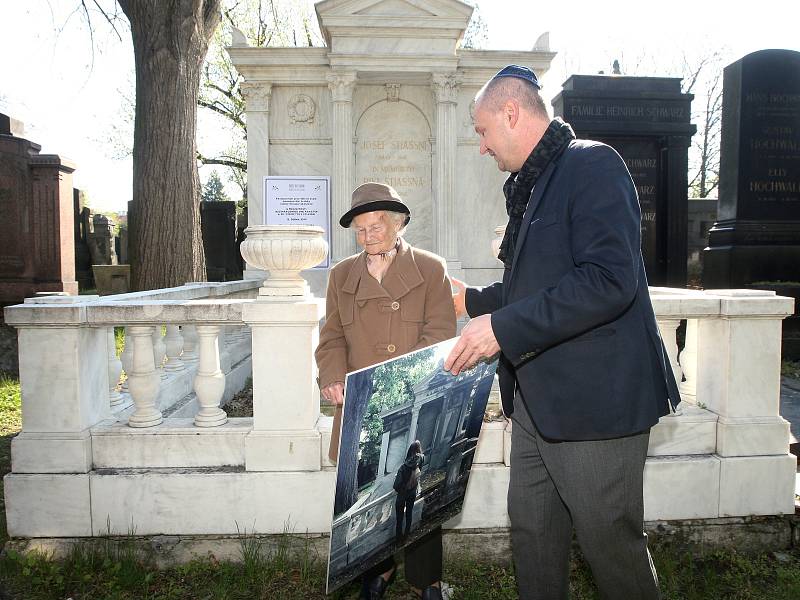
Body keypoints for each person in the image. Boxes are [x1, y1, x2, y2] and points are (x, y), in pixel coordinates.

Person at [444, 65, 680, 600]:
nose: (481, 147)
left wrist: (500, 328)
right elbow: (540, 287)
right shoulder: (534, 186)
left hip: (595, 408)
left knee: (611, 551)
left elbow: (607, 282)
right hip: (535, 407)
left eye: (481, 130)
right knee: (533, 540)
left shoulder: (592, 166)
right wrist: (471, 301)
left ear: (511, 113)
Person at [315, 182, 456, 600]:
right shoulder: (341, 275)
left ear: (398, 224)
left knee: (419, 491)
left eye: (376, 225)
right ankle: (377, 572)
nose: (367, 236)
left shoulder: (431, 269)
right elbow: (331, 338)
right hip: (362, 404)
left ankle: (426, 580)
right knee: (368, 490)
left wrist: (407, 379)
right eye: (360, 229)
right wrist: (332, 375)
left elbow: (441, 333)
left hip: (416, 397)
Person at [394, 440, 424, 540]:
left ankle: (399, 538)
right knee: (409, 513)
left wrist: (402, 487)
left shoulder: (403, 467)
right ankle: (407, 535)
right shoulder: (421, 458)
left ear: (409, 451)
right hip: (412, 492)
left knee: (399, 517)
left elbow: (396, 485)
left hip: (402, 494)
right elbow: (419, 472)